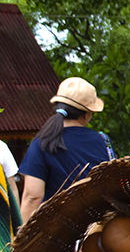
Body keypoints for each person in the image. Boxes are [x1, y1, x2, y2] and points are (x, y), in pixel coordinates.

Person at [18, 77, 113, 222]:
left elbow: (33, 197)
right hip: (96, 230)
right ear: (86, 114)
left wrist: (21, 239)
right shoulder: (103, 140)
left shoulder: (42, 142)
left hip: (57, 232)